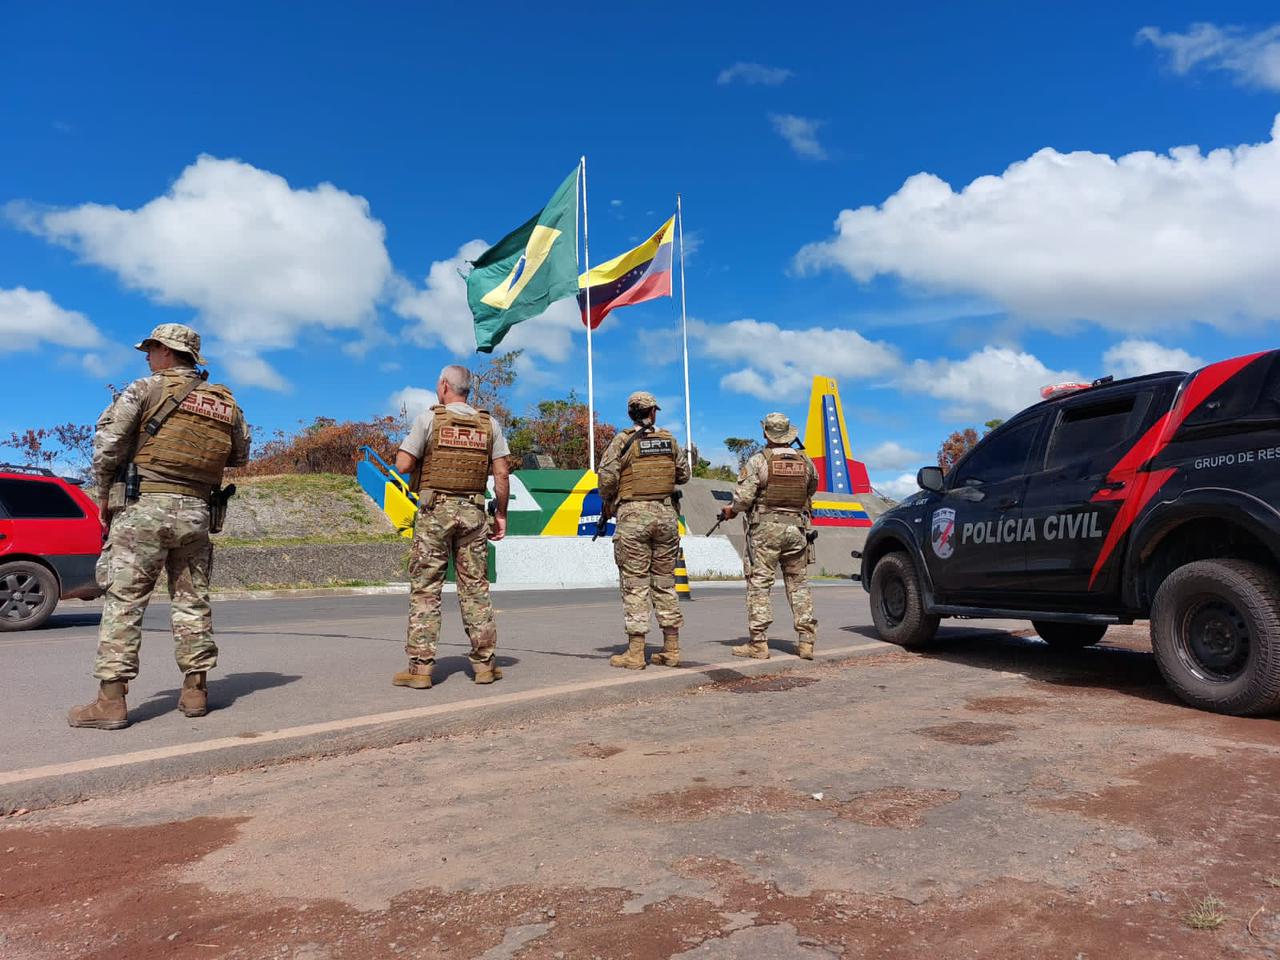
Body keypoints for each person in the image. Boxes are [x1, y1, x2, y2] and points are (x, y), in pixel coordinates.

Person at [69, 323, 250, 729]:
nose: (148, 358)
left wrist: (102, 495)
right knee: (192, 601)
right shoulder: (227, 404)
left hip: (143, 508)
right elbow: (239, 455)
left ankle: (110, 702)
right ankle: (195, 692)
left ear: (166, 351)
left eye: (150, 350)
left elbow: (108, 447)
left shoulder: (143, 389)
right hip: (197, 513)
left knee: (124, 602)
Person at [393, 365, 510, 688]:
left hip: (435, 513)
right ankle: (485, 666)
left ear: (444, 385)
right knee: (475, 588)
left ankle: (421, 670)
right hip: (473, 513)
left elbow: (403, 464)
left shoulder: (429, 419)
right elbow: (501, 474)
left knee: (426, 589)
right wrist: (500, 514)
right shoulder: (489, 425)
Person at [596, 391, 691, 669]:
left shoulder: (621, 441)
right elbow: (683, 475)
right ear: (653, 412)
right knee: (665, 583)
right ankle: (671, 649)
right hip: (665, 517)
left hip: (633, 517)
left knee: (635, 584)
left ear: (630, 414)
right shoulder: (669, 440)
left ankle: (636, 653)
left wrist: (608, 501)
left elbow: (606, 479)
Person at [718, 413, 818, 660]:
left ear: (766, 434)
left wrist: (730, 511)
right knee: (798, 584)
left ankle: (759, 644)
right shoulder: (807, 462)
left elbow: (743, 499)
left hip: (765, 531)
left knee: (760, 584)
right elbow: (811, 489)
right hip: (797, 530)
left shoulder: (758, 461)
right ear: (789, 434)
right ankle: (806, 642)